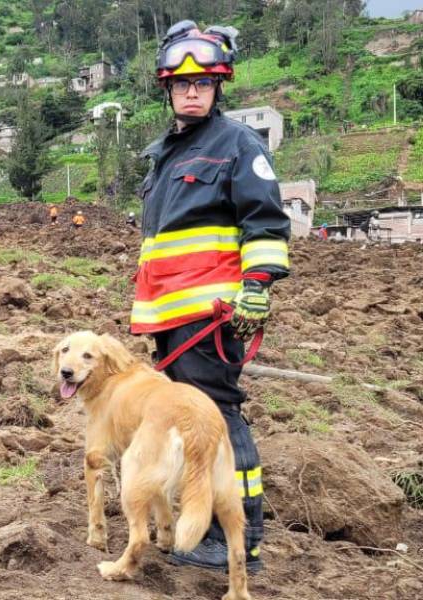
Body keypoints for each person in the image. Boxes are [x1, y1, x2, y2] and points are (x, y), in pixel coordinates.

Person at [133, 20, 291, 574]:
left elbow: (266, 224)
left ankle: (236, 540)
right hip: (172, 315)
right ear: (169, 90)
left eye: (203, 83)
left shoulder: (237, 145)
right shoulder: (167, 155)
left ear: (219, 87)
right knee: (192, 421)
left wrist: (256, 289)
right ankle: (202, 526)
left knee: (218, 417)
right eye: (183, 85)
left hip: (212, 313)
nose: (193, 91)